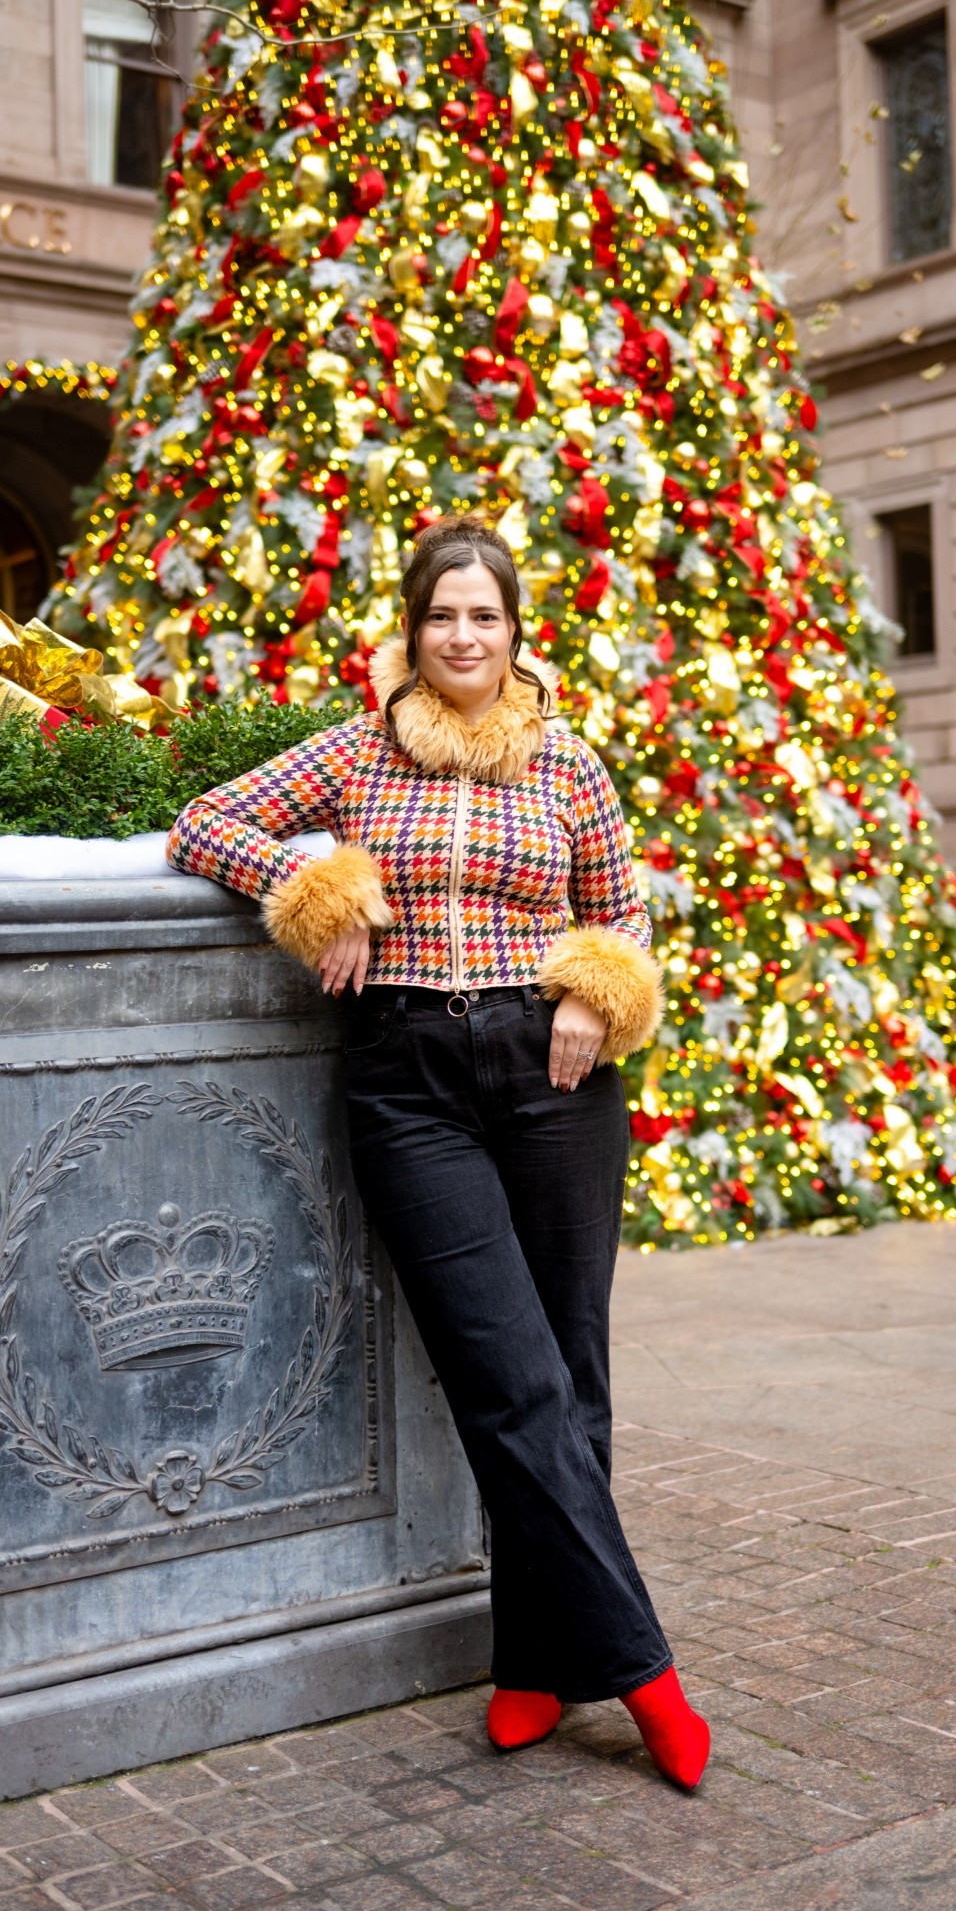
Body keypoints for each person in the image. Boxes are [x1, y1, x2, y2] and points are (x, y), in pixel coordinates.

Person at [167, 516, 710, 1792]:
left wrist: (595, 989)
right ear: (409, 631)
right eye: (441, 614)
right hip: (408, 1081)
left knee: (570, 1374)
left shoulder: (569, 763)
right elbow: (206, 824)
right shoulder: (358, 751)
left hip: (554, 1076)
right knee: (505, 1375)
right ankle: (646, 1672)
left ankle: (533, 1659)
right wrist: (328, 893)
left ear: (517, 632)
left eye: (485, 615)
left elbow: (619, 909)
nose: (462, 635)